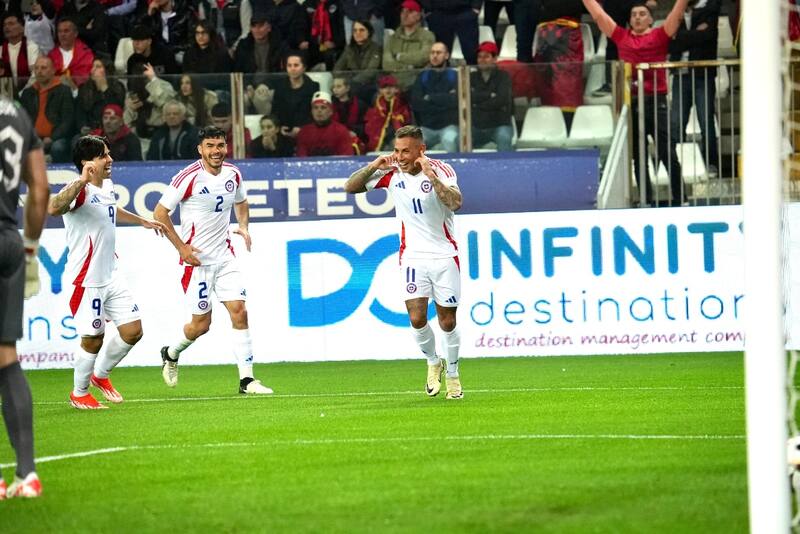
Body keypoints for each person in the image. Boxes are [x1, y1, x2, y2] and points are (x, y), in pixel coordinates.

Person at [344, 125, 464, 400]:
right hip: (412, 257)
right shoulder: (391, 173)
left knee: (447, 321)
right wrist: (375, 164)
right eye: (396, 150)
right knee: (417, 317)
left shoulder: (442, 170)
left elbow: (456, 203)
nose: (399, 157)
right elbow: (350, 187)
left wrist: (432, 177)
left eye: (405, 151)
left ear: (421, 150)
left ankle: (454, 375)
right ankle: (434, 362)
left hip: (445, 255)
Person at [47, 135, 166, 409]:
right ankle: (79, 393)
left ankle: (100, 376)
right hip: (87, 279)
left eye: (108, 154)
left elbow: (111, 209)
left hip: (111, 273)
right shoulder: (80, 191)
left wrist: (142, 221)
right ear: (88, 162)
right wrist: (80, 180)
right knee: (93, 337)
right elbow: (54, 208)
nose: (110, 160)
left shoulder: (107, 186)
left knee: (133, 331)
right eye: (104, 156)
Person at [153, 126, 274, 395]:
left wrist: (243, 226)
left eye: (220, 145)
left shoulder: (233, 173)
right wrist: (181, 248)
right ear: (200, 149)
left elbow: (241, 202)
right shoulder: (188, 177)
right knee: (200, 326)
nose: (216, 151)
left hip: (225, 257)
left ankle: (247, 381)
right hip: (196, 263)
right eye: (210, 146)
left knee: (239, 311)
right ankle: (171, 353)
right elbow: (160, 212)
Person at [582, 0, 688, 206]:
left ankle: (681, 199)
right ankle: (646, 201)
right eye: (634, 15)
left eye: (642, 14)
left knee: (667, 152)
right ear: (630, 20)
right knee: (638, 157)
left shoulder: (660, 34)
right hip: (633, 104)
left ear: (650, 19)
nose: (638, 17)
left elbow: (677, 12)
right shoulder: (622, 37)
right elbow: (599, 16)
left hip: (657, 103)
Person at [0, 97, 49, 498]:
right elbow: (41, 189)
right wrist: (31, 249)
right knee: (6, 356)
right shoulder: (16, 112)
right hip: (9, 241)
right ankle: (26, 475)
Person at [669, 0, 721, 176]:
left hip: (702, 75)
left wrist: (683, 37)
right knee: (677, 122)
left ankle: (711, 164)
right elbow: (671, 44)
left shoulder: (709, 10)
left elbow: (708, 36)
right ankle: (676, 166)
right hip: (679, 74)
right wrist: (694, 35)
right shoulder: (676, 13)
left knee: (706, 120)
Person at [18, 56, 75, 163]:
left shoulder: (64, 91)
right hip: (33, 138)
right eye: (37, 68)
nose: (39, 71)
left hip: (57, 138)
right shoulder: (27, 93)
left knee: (58, 147)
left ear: (53, 70)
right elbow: (22, 119)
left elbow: (68, 120)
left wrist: (52, 137)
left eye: (43, 68)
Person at [410, 42, 459, 153]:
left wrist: (430, 97)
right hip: (427, 126)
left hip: (449, 125)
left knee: (449, 140)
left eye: (438, 52)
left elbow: (456, 101)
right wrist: (444, 99)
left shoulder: (454, 76)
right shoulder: (423, 76)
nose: (435, 56)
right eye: (432, 53)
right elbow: (417, 103)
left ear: (446, 55)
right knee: (413, 144)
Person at [470, 41, 513, 151]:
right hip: (476, 126)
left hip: (499, 124)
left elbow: (501, 100)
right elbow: (468, 98)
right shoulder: (471, 77)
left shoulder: (503, 76)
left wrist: (477, 104)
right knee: (459, 139)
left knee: (504, 137)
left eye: (486, 56)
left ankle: (507, 166)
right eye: (479, 57)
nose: (482, 60)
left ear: (495, 59)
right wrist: (489, 95)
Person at [382, 0, 435, 90]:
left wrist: (399, 57)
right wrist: (408, 67)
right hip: (393, 85)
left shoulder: (427, 36)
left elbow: (424, 57)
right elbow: (386, 63)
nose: (404, 15)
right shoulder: (393, 38)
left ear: (418, 16)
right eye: (402, 11)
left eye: (410, 11)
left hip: (415, 84)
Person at [296, 91, 355, 156]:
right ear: (311, 112)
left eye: (323, 107)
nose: (319, 111)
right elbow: (301, 160)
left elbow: (346, 158)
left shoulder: (341, 131)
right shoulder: (304, 132)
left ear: (331, 111)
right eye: (315, 108)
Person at [364, 73, 412, 151]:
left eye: (391, 87)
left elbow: (406, 123)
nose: (388, 90)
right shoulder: (376, 106)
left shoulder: (403, 104)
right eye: (384, 87)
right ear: (380, 90)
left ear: (396, 89)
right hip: (380, 140)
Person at [47, 17, 94, 88]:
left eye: (66, 31)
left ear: (75, 33)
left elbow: (84, 79)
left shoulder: (86, 54)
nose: (62, 34)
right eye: (60, 31)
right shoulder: (51, 56)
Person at [0, 11, 40, 91]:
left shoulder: (31, 47)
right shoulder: (1, 50)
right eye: (5, 25)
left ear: (22, 28)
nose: (7, 27)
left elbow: (35, 75)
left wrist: (23, 93)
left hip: (28, 93)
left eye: (11, 24)